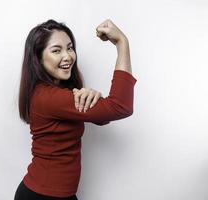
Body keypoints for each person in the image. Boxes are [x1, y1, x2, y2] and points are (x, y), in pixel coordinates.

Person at [15, 18, 137, 200]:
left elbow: (103, 118)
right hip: (42, 195)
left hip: (57, 194)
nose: (68, 56)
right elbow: (121, 106)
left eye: (70, 48)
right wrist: (122, 43)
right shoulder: (49, 98)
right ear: (38, 58)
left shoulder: (58, 94)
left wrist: (94, 98)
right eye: (56, 50)